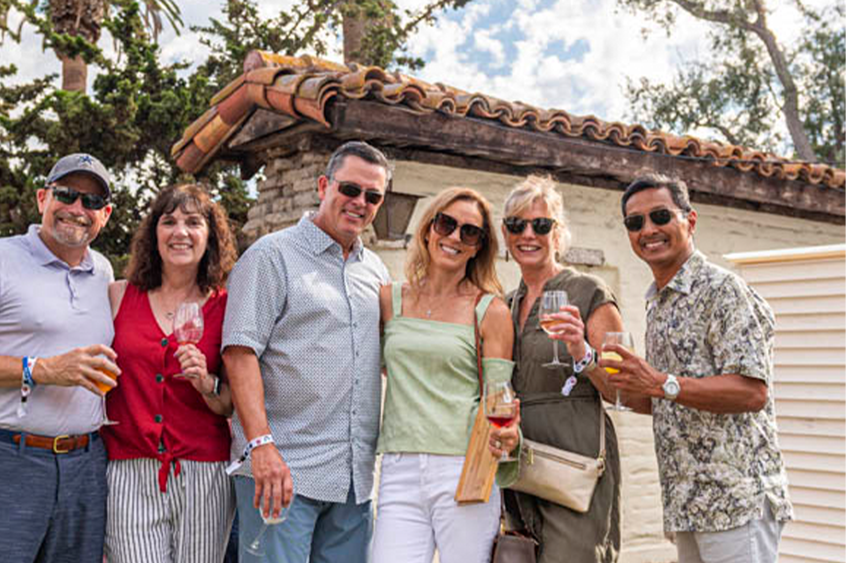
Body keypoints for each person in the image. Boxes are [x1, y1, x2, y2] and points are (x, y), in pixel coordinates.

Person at [0, 153, 119, 563]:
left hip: (86, 467)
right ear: (42, 198)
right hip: (4, 459)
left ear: (106, 215)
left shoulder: (102, 271)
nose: (77, 209)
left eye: (91, 202)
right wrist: (42, 369)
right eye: (66, 195)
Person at [602, 175, 793, 563]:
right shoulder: (658, 303)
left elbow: (752, 392)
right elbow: (664, 399)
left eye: (659, 216)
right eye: (635, 223)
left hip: (736, 504)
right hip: (686, 506)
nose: (648, 230)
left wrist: (661, 382)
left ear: (690, 221)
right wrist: (586, 356)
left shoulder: (724, 290)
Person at [222, 141, 392, 563]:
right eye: (350, 189)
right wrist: (261, 447)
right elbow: (239, 354)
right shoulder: (270, 256)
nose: (360, 203)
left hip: (353, 478)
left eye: (373, 196)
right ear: (323, 185)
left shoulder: (377, 272)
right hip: (281, 471)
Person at [370, 187, 520, 563]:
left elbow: (497, 398)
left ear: (478, 248)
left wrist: (507, 435)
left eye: (469, 233)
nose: (454, 237)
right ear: (428, 229)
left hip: (465, 465)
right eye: (446, 224)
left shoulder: (490, 310)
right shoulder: (390, 300)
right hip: (399, 465)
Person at [102, 184, 238, 562]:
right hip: (129, 469)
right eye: (169, 222)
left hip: (205, 472)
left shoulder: (228, 306)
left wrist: (207, 384)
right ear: (154, 234)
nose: (180, 232)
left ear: (209, 236)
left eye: (193, 222)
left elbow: (229, 404)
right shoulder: (117, 295)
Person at [499, 175, 623, 562]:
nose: (528, 234)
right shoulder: (503, 304)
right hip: (519, 466)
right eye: (517, 225)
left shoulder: (590, 291)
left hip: (574, 465)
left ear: (558, 232)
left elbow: (623, 390)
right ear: (505, 234)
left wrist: (581, 351)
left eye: (541, 224)